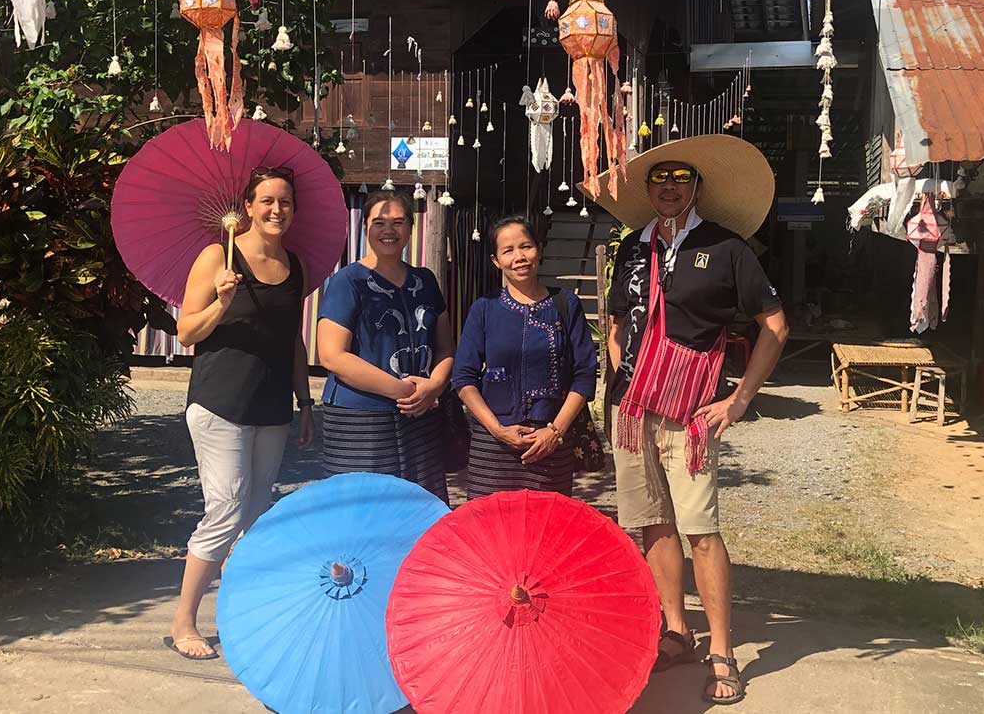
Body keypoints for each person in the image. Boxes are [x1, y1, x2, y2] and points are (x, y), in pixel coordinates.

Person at [602, 137, 788, 705]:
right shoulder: (632, 247)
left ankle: (723, 649)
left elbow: (775, 324)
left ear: (697, 187)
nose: (669, 186)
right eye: (659, 178)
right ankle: (677, 630)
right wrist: (630, 378)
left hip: (691, 412)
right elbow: (613, 321)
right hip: (632, 411)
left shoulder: (727, 247)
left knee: (701, 531)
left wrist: (739, 400)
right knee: (653, 523)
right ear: (648, 189)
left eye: (681, 178)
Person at [167, 165, 316, 662]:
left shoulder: (295, 266)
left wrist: (306, 402)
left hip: (271, 406)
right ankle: (184, 620)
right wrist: (221, 303)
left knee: (255, 514)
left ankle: (244, 615)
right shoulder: (217, 256)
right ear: (248, 207)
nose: (277, 210)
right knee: (226, 507)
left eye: (286, 202)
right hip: (220, 404)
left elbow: (292, 341)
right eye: (267, 200)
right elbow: (187, 332)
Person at [316, 190, 454, 502]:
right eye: (379, 222)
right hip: (361, 419)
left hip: (421, 415)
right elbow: (332, 355)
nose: (388, 230)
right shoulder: (348, 281)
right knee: (363, 511)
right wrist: (404, 391)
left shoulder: (426, 280)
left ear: (410, 229)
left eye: (398, 222)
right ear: (364, 228)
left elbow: (445, 347)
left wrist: (433, 386)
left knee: (420, 509)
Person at [452, 216, 597, 498]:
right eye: (508, 251)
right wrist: (497, 429)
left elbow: (585, 373)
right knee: (489, 530)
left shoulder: (565, 304)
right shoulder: (485, 309)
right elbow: (463, 378)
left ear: (539, 250)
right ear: (496, 261)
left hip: (550, 443)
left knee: (546, 530)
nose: (519, 257)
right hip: (493, 445)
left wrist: (555, 432)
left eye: (526, 246)